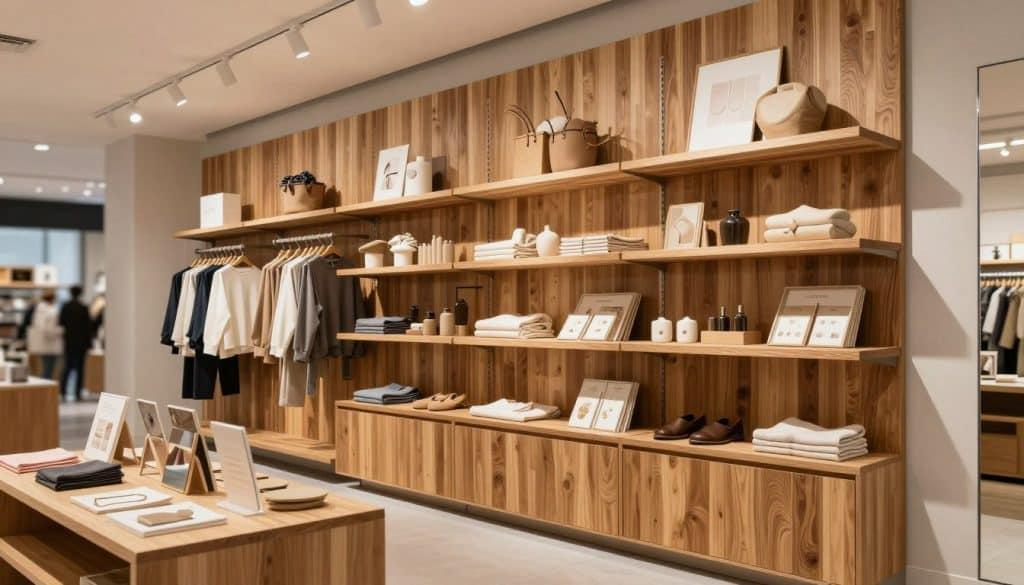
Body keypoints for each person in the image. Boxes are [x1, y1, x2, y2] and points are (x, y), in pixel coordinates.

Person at [59, 285, 92, 401]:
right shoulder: (83, 308)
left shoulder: (65, 307)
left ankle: (63, 391)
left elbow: (61, 324)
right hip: (81, 343)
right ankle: (77, 392)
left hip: (68, 342)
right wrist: (89, 344)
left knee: (67, 367)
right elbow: (88, 327)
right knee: (80, 368)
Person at [29, 291, 61, 379]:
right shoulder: (51, 311)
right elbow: (49, 330)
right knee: (48, 370)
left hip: (43, 345)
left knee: (46, 369)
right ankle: (45, 391)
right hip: (50, 345)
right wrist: (60, 331)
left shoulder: (39, 310)